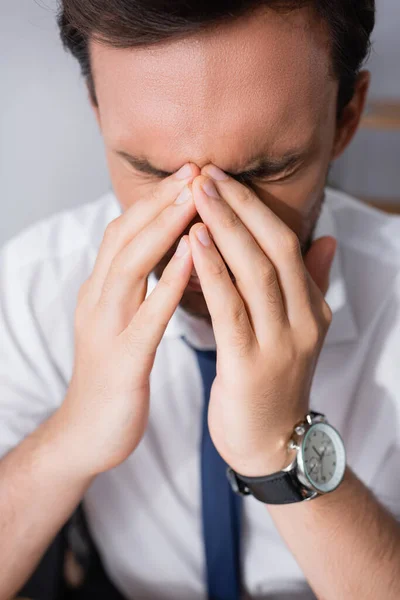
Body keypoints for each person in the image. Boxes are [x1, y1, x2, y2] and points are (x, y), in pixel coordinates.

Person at [1, 0, 400, 598]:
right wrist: (72, 436)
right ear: (97, 112)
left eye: (267, 170)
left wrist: (279, 449)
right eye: (149, 170)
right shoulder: (35, 285)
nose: (201, 235)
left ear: (346, 118)